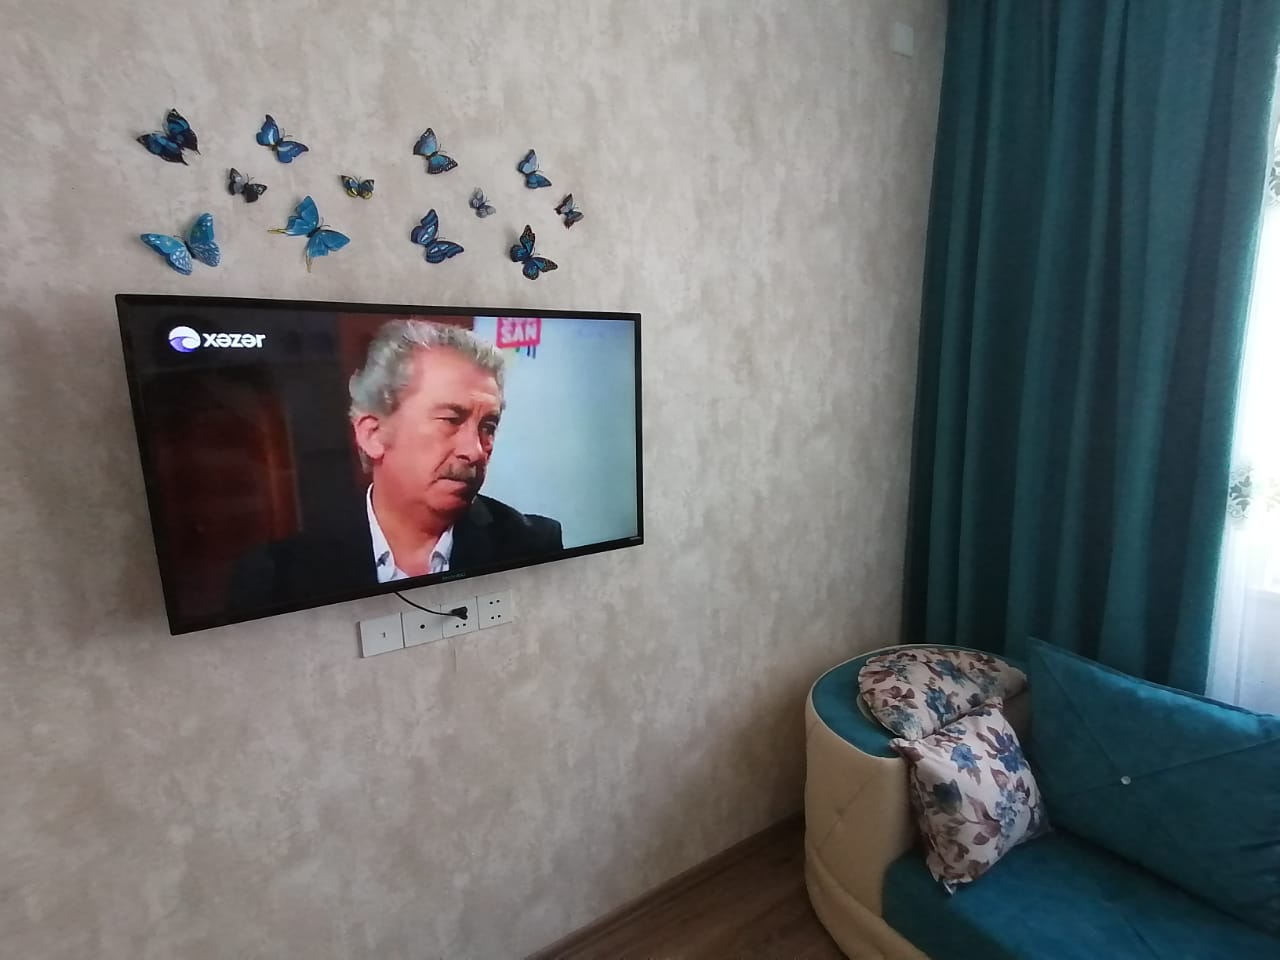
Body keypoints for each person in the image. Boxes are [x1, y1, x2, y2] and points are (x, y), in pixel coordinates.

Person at [228, 320, 561, 615]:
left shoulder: (530, 544)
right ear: (373, 435)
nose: (474, 451)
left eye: (488, 426)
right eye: (450, 420)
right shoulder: (276, 576)